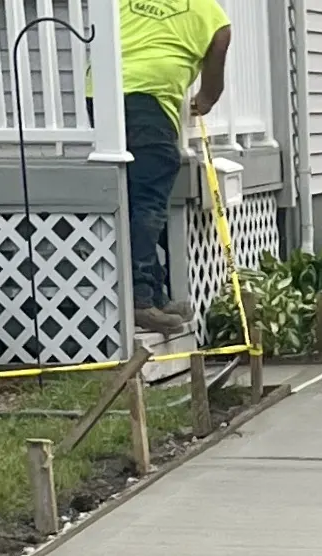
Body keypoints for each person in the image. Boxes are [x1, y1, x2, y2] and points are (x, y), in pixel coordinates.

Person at [119, 0, 232, 335]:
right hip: (152, 95)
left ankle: (153, 292)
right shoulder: (206, 9)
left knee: (133, 194)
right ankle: (141, 301)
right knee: (149, 199)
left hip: (105, 92)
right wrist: (209, 97)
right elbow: (221, 37)